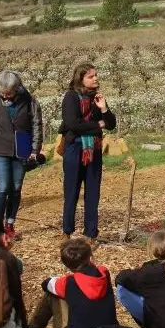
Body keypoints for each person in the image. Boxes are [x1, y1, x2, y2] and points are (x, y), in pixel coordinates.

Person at [0, 70, 45, 240]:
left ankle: (9, 224)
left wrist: (34, 151)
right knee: (2, 188)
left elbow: (37, 125)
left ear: (17, 88)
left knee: (15, 189)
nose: (5, 95)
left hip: (21, 149)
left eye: (8, 93)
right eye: (2, 92)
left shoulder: (30, 101)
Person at [27, 236, 116, 328]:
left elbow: (46, 283)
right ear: (90, 257)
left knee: (52, 294)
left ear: (67, 265)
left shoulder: (69, 282)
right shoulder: (104, 273)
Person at [59, 64, 116, 241]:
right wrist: (98, 125)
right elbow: (72, 124)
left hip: (94, 151)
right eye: (91, 76)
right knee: (71, 192)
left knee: (93, 193)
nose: (95, 79)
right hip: (74, 149)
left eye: (96, 75)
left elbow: (111, 124)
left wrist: (104, 109)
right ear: (80, 79)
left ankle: (90, 233)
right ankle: (67, 231)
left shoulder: (97, 98)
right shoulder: (71, 97)